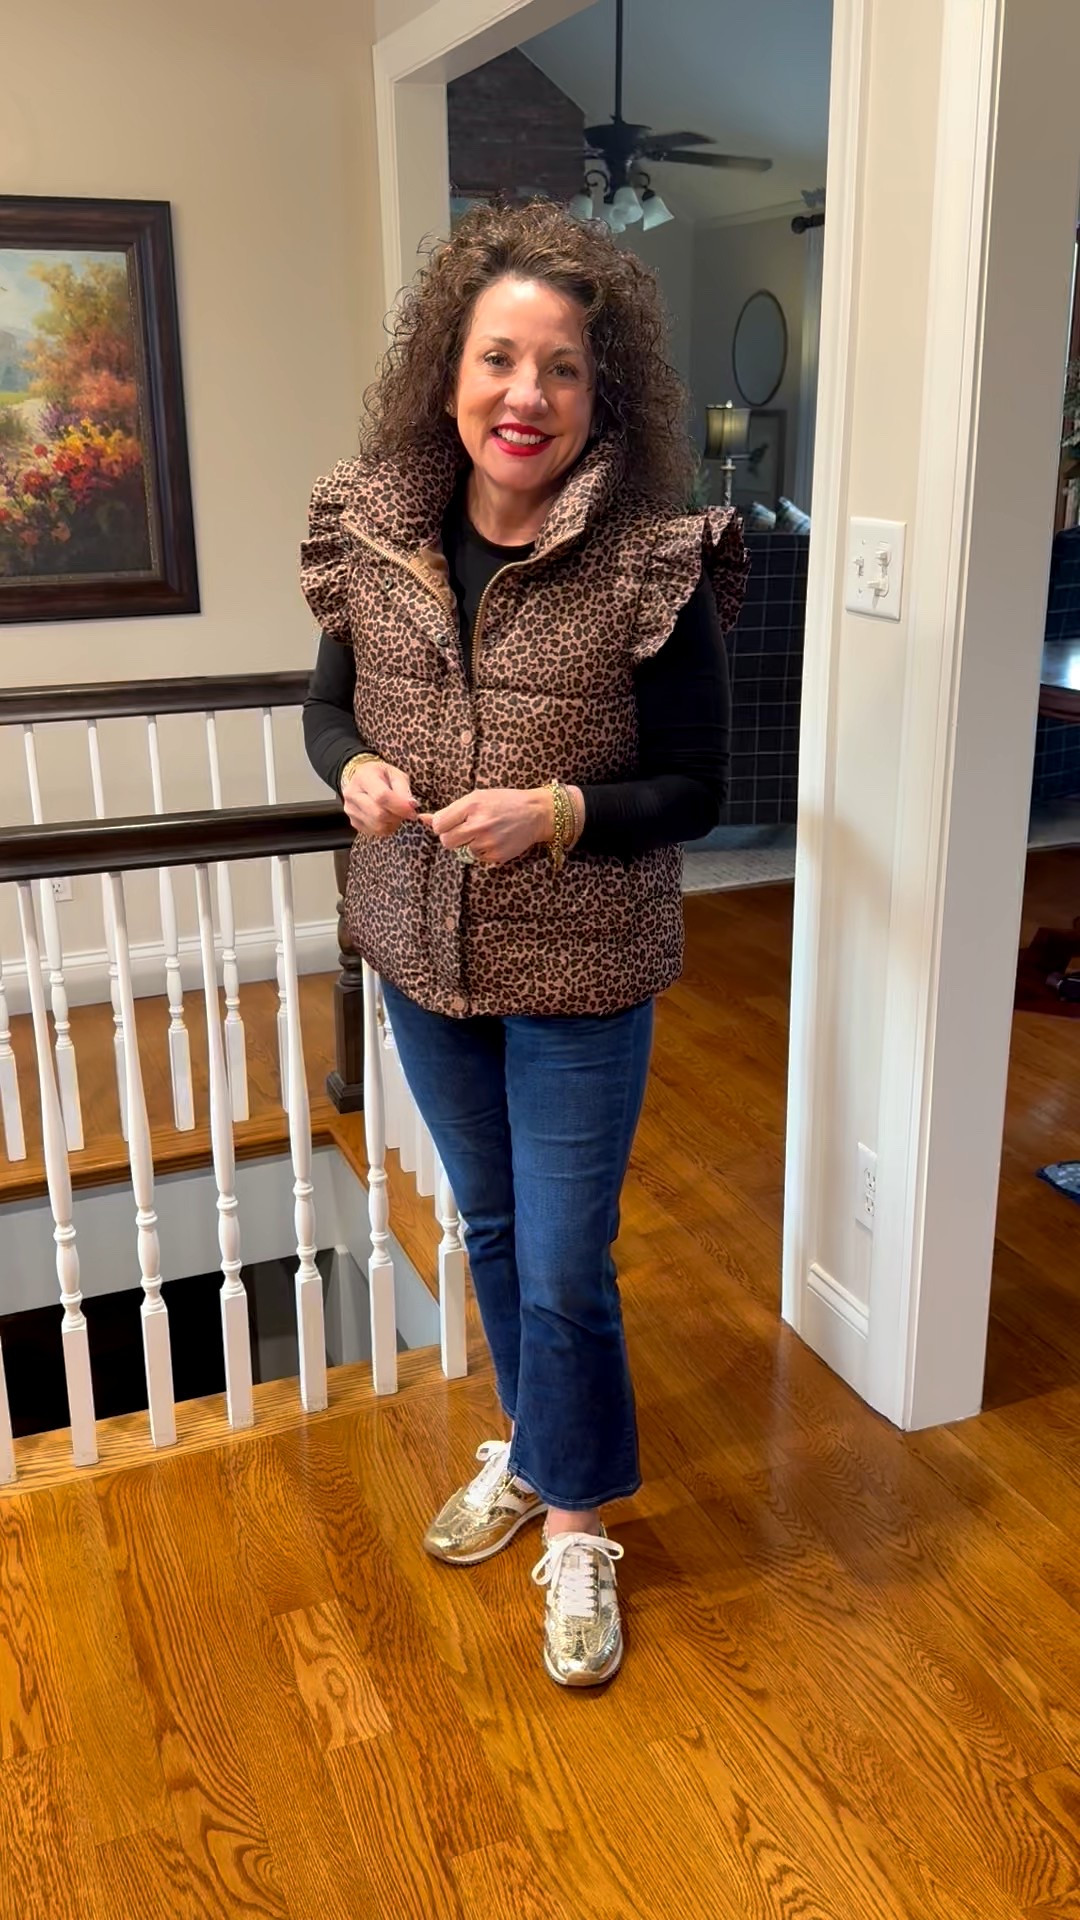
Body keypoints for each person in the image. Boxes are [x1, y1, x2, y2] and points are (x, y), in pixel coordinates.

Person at [301, 199, 746, 1688]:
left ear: (602, 395)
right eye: (499, 358)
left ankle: (574, 1523)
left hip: (582, 969)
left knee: (562, 1260)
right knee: (488, 1230)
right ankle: (536, 1444)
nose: (527, 395)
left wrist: (558, 811)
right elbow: (325, 708)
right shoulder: (369, 528)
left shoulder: (651, 560)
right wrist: (354, 769)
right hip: (420, 951)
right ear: (448, 372)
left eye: (563, 368)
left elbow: (700, 787)